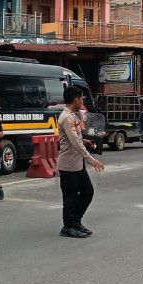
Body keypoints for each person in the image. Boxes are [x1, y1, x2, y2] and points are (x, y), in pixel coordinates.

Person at [56, 86, 105, 238]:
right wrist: (91, 159)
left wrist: (86, 141)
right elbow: (74, 143)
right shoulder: (67, 117)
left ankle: (76, 221)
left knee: (87, 192)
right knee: (70, 197)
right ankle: (68, 227)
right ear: (76, 99)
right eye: (82, 98)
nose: (82, 101)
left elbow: (76, 139)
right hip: (68, 164)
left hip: (77, 163)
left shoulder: (73, 115)